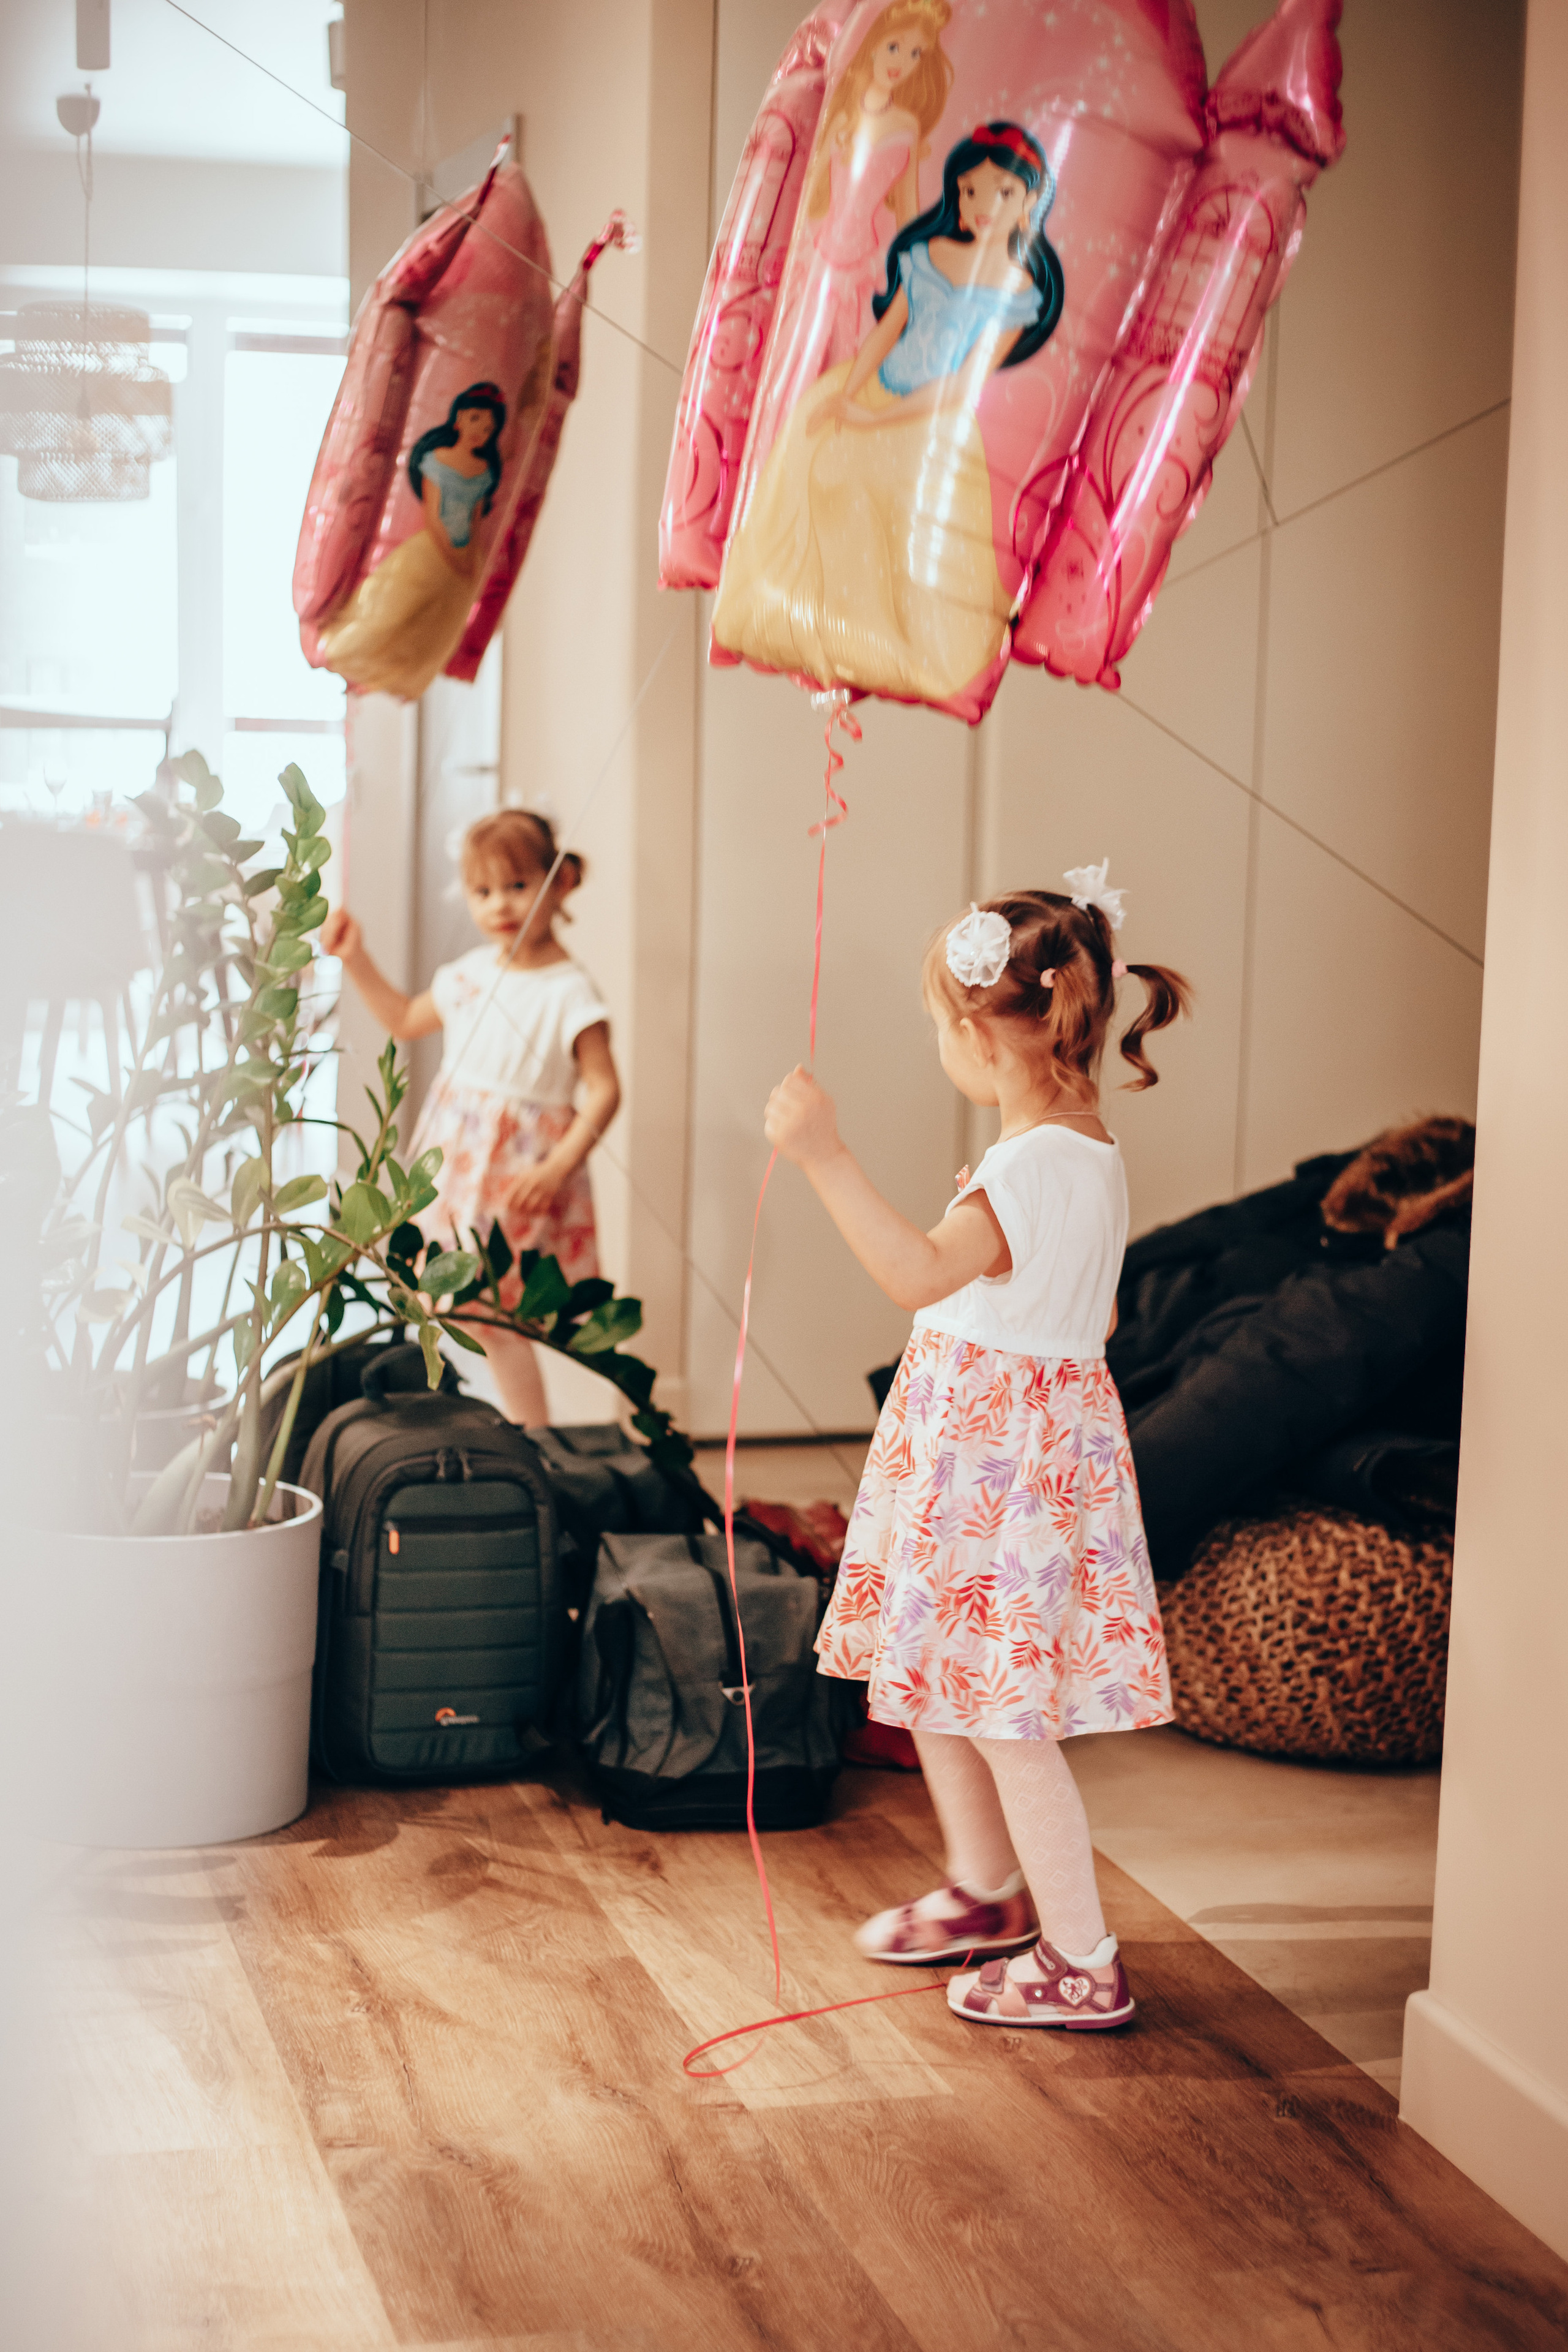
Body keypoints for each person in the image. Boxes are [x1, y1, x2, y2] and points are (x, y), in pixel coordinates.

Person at [763, 867, 1188, 2031]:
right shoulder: (1086, 1153)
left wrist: (821, 1153)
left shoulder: (1028, 1167)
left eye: (939, 1026)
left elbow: (913, 1274)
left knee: (1006, 1719)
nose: (937, 1047)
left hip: (999, 1474)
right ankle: (987, 1893)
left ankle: (1084, 1961)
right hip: (1004, 1462)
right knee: (943, 1687)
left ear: (983, 1031)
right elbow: (1089, 1319)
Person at [715, 121, 1065, 704]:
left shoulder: (1017, 288)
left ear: (1030, 200)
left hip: (933, 423)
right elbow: (886, 333)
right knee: (814, 456)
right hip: (876, 387)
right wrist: (849, 394)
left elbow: (961, 384)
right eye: (971, 191)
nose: (980, 206)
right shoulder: (929, 254)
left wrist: (878, 421)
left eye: (1001, 193)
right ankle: (800, 621)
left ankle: (882, 641)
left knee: (887, 496)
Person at [320, 807, 619, 1426]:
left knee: (491, 1311)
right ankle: (458, 1419)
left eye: (517, 885)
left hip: (518, 1170)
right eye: (483, 891)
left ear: (559, 883)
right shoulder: (468, 975)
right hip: (456, 1163)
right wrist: (356, 959)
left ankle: (536, 1437)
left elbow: (603, 1088)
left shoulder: (569, 991)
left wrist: (561, 1163)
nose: (500, 905)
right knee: (441, 1293)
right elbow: (404, 1019)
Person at [318, 382, 508, 701]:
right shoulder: (437, 460)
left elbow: (475, 520)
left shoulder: (484, 470)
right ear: (459, 418)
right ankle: (350, 657)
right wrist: (451, 555)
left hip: (464, 555)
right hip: (432, 550)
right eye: (476, 419)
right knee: (390, 614)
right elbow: (434, 516)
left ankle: (389, 675)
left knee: (433, 625)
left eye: (489, 427)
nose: (481, 431)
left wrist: (468, 559)